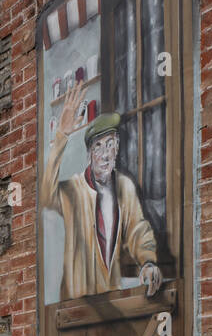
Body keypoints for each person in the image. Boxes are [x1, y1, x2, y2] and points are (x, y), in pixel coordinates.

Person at [41, 82, 162, 301]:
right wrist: (61, 136)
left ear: (117, 149)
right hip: (76, 303)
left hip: (110, 298)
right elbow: (46, 195)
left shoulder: (124, 186)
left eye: (110, 144)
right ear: (89, 154)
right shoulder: (74, 190)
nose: (105, 154)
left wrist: (148, 261)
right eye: (98, 146)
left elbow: (138, 228)